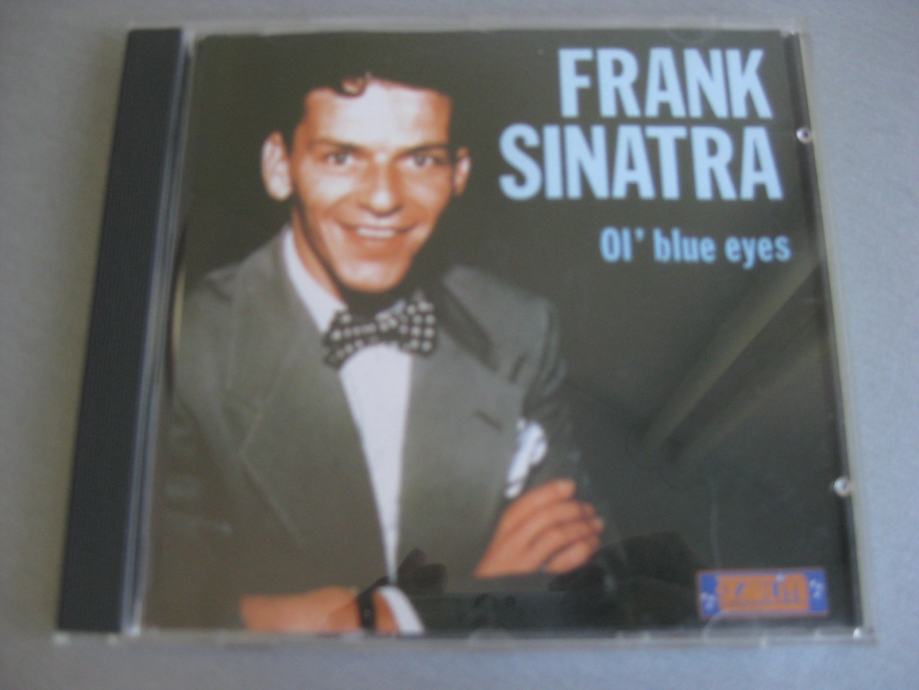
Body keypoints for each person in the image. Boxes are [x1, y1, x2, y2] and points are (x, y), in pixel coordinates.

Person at [148, 43, 604, 633]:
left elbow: (580, 577)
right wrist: (455, 602)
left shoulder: (519, 329)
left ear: (459, 173)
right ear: (280, 166)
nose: (384, 198)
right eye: (342, 157)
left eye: (420, 160)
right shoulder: (188, 344)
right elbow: (166, 609)